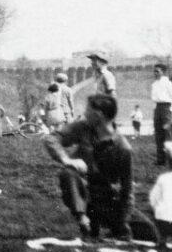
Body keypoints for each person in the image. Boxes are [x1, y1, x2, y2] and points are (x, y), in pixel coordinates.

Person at [43, 93, 156, 241]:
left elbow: (127, 190)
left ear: (99, 114)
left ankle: (108, 228)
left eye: (88, 110)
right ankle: (84, 219)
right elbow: (52, 138)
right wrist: (66, 160)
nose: (84, 113)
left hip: (108, 199)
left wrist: (123, 222)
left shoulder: (123, 148)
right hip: (84, 195)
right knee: (68, 173)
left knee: (150, 233)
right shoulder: (83, 127)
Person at [151, 63, 172, 166]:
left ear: (163, 72)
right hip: (158, 108)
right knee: (158, 135)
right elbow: (154, 98)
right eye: (154, 71)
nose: (155, 73)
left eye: (157, 71)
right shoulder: (154, 84)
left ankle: (170, 160)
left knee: (168, 134)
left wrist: (170, 111)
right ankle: (160, 160)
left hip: (167, 108)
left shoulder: (168, 83)